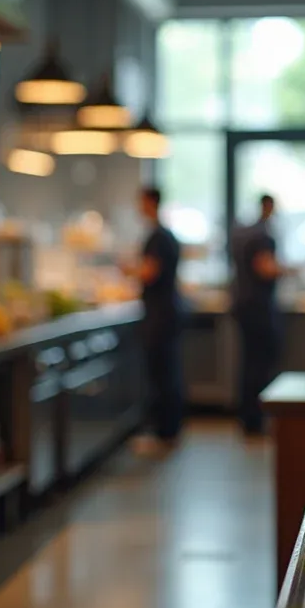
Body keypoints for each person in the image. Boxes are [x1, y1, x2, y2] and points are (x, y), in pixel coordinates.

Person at [127, 187, 184, 447]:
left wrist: (127, 268)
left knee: (161, 374)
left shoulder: (156, 237)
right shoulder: (167, 235)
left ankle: (163, 432)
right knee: (168, 371)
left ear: (150, 202)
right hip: (168, 312)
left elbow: (149, 273)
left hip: (159, 315)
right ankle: (169, 429)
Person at [232, 194, 285, 436]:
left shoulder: (244, 232)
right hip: (259, 308)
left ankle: (248, 416)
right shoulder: (262, 235)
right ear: (269, 207)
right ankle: (256, 417)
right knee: (260, 364)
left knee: (249, 362)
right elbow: (265, 268)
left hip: (244, 306)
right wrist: (289, 270)